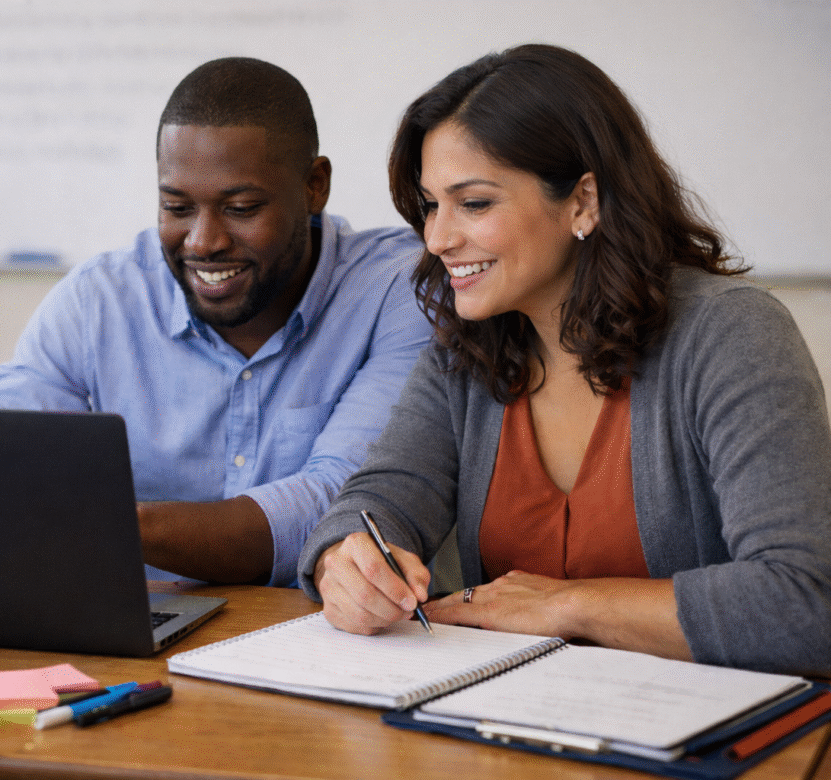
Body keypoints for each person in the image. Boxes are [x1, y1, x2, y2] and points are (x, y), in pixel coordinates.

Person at [298, 44, 831, 675]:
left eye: (474, 204)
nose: (438, 238)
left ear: (582, 201)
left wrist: (571, 606)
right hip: (509, 728)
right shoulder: (465, 352)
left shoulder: (731, 333)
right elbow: (378, 500)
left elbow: (806, 605)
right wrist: (346, 562)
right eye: (430, 204)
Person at [0, 57, 432, 586]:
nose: (203, 241)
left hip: (318, 644)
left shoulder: (397, 290)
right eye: (177, 207)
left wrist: (111, 523)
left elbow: (344, 504)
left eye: (241, 207)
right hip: (129, 636)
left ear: (314, 186)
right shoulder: (101, 298)